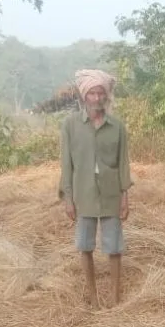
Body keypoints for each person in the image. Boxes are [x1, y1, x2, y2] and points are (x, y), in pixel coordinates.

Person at [58, 69, 132, 308]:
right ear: (84, 96)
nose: (97, 98)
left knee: (114, 247)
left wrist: (125, 196)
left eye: (101, 93)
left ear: (106, 96)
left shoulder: (117, 127)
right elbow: (66, 164)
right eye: (92, 93)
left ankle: (115, 298)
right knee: (85, 246)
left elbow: (123, 163)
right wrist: (68, 198)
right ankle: (93, 297)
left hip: (111, 193)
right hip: (84, 194)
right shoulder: (70, 125)